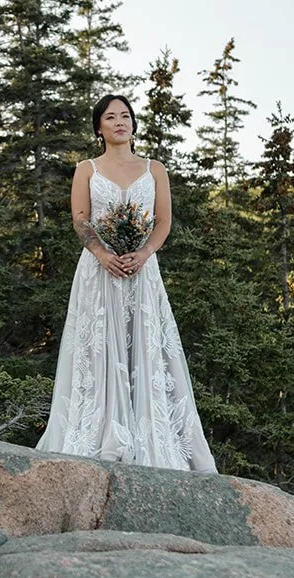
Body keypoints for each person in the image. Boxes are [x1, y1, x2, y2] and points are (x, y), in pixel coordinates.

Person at [36, 93, 216, 472]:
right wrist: (103, 255)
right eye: (111, 117)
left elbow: (163, 222)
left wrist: (144, 252)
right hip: (98, 272)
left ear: (133, 123)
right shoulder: (87, 168)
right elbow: (81, 219)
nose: (120, 122)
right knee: (99, 348)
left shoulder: (155, 169)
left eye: (126, 116)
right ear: (99, 127)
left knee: (144, 348)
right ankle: (102, 432)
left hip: (141, 271)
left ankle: (149, 434)